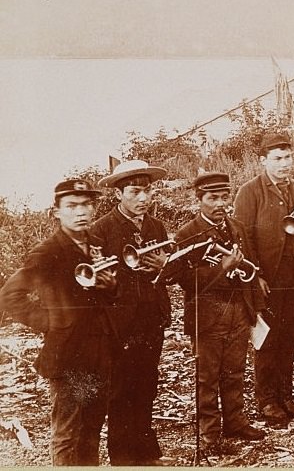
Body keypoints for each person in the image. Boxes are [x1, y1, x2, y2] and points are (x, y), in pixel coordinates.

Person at [0, 179, 116, 465]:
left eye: (87, 204)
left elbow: (103, 297)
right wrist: (52, 322)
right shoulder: (48, 252)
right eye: (72, 206)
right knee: (66, 433)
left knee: (91, 429)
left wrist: (111, 286)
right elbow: (10, 296)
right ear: (57, 212)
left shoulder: (97, 244)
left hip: (99, 352)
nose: (81, 212)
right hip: (67, 355)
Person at [174, 172, 267, 457]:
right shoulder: (187, 234)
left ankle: (236, 421)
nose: (219, 204)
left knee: (235, 371)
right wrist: (222, 267)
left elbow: (251, 265)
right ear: (198, 200)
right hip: (209, 314)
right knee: (207, 376)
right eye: (212, 198)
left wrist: (255, 302)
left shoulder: (236, 226)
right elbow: (186, 281)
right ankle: (210, 431)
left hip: (238, 309)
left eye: (224, 197)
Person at [90, 160, 171, 466]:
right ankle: (123, 457)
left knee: (147, 383)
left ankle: (146, 451)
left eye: (147, 190)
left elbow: (169, 271)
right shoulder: (102, 230)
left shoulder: (155, 226)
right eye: (135, 191)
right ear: (118, 194)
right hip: (120, 323)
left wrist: (164, 267)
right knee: (121, 389)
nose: (143, 198)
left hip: (151, 317)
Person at [233, 132, 294, 428]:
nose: (284, 164)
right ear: (263, 161)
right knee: (267, 338)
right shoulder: (250, 191)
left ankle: (286, 394)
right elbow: (241, 237)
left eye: (288, 157)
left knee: (290, 336)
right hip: (267, 276)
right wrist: (255, 277)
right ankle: (267, 400)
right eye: (277, 159)